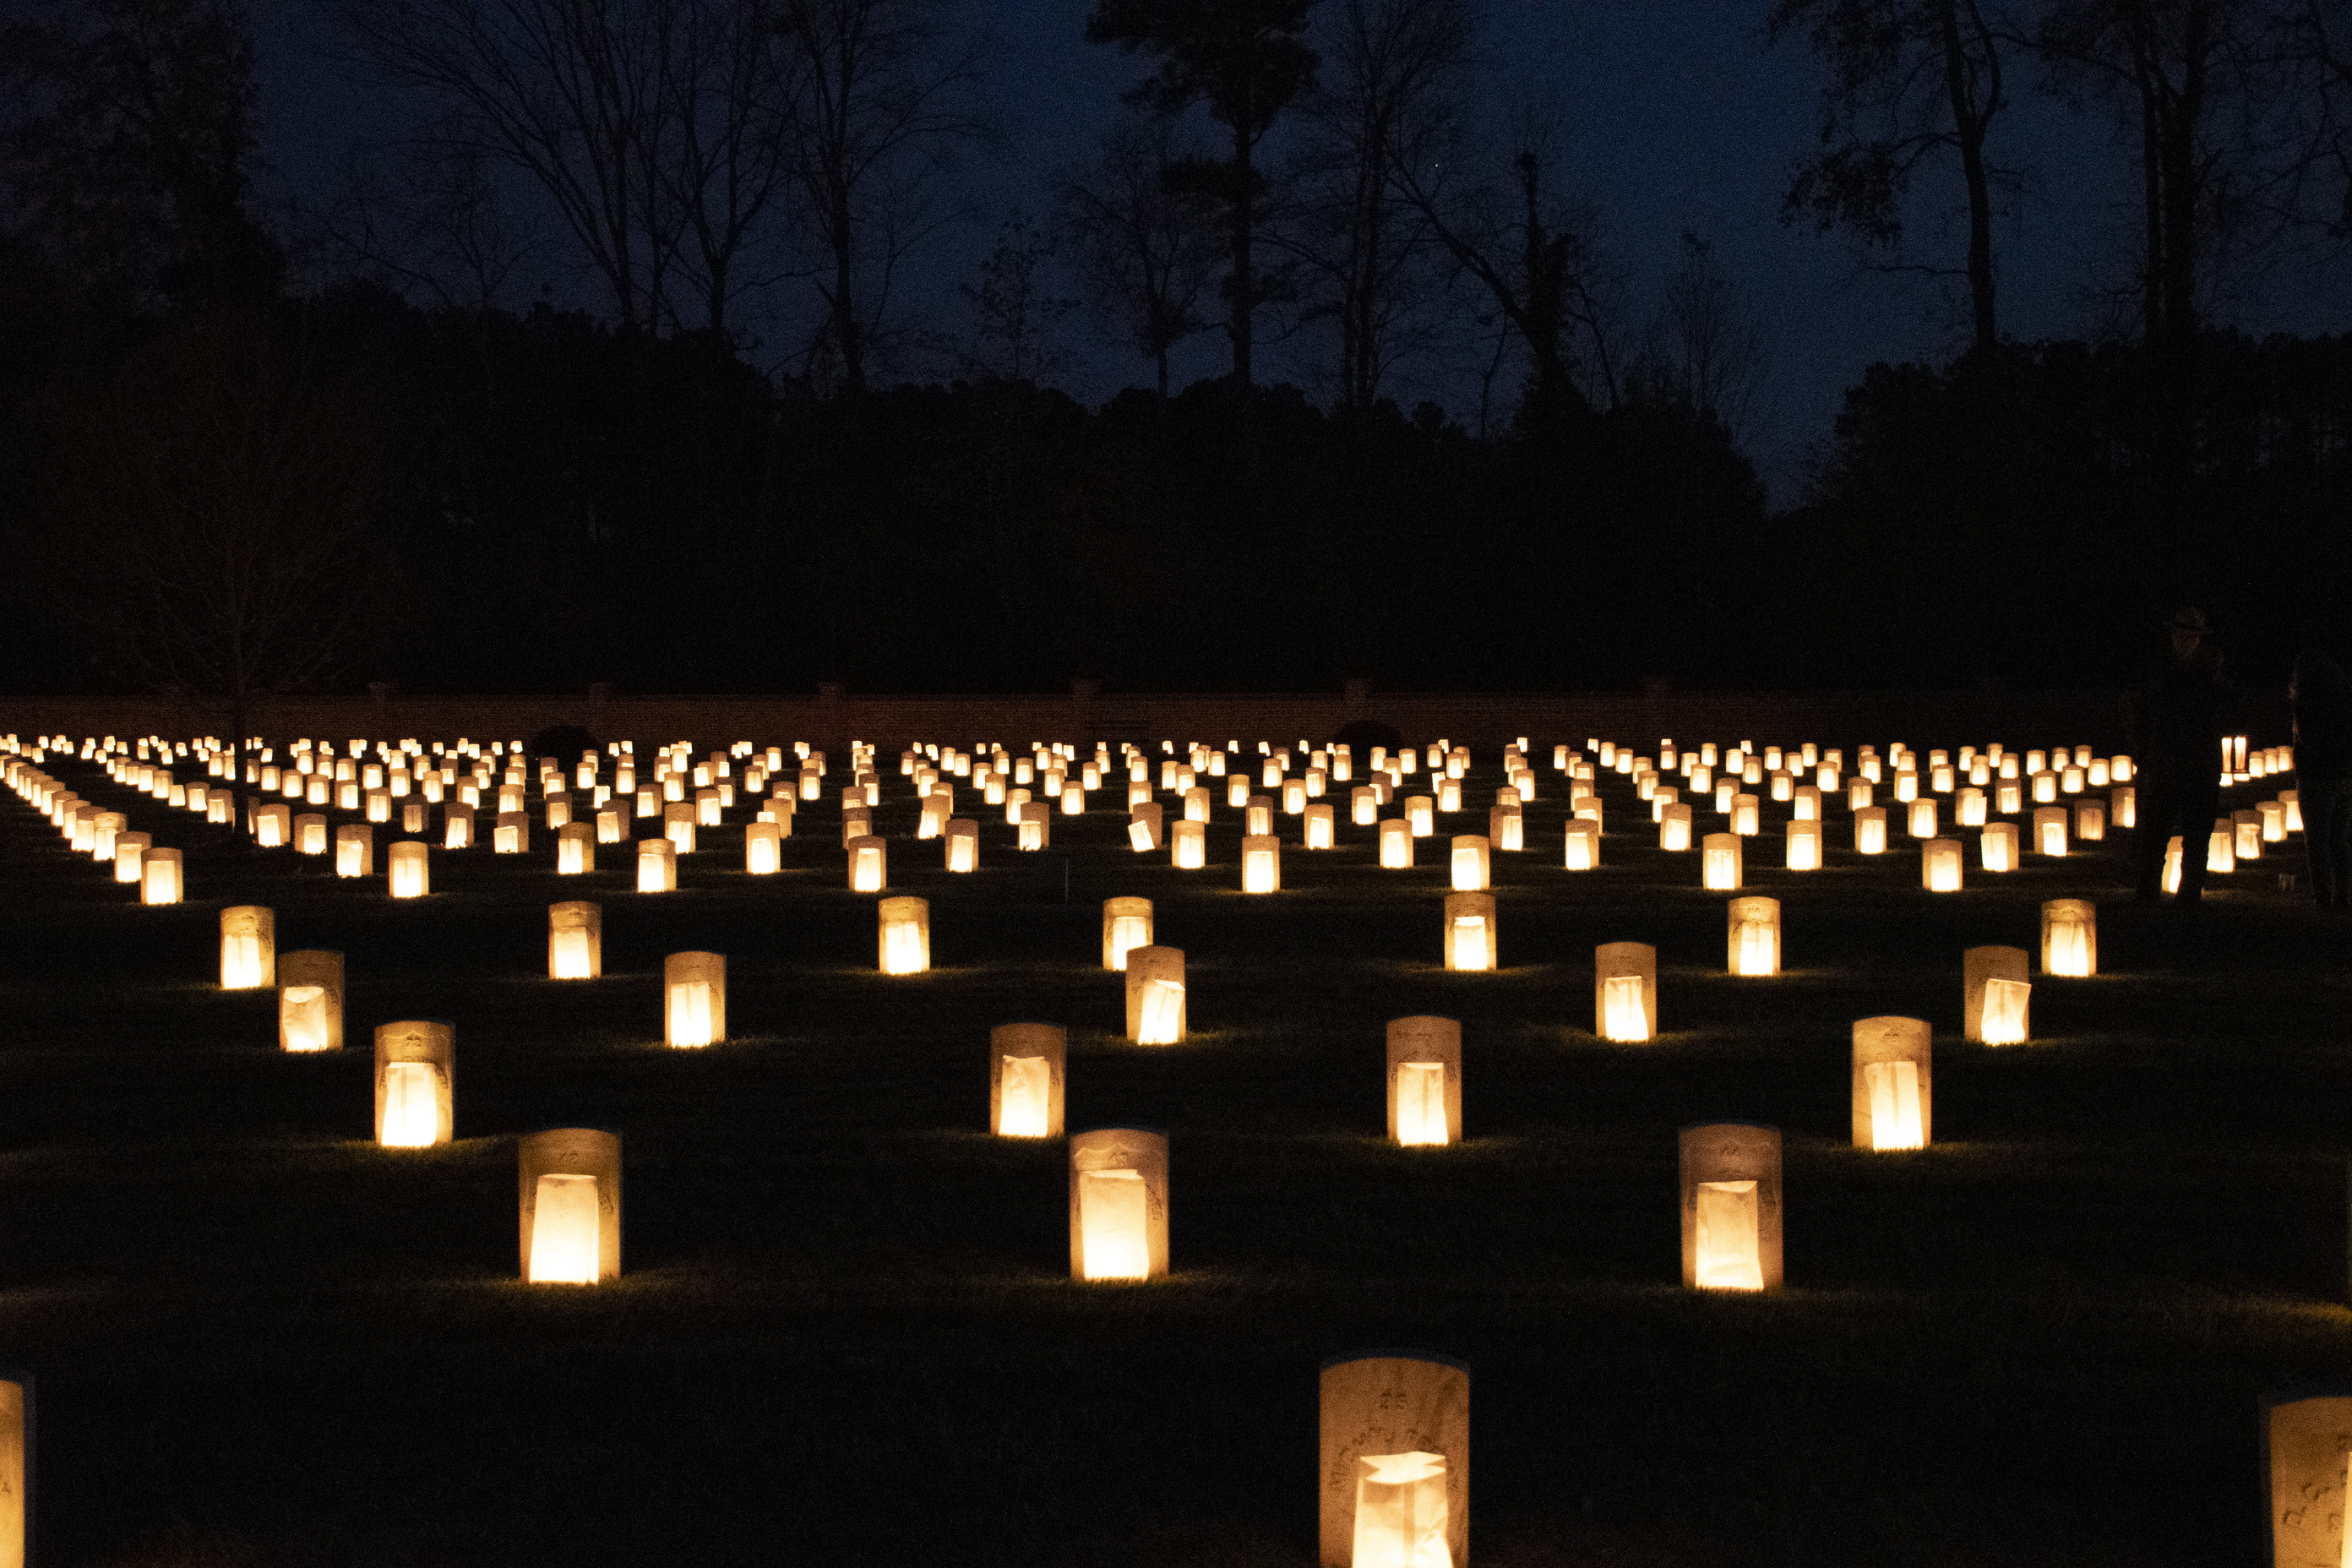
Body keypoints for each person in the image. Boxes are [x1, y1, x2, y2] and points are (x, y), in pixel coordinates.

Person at [2131, 607, 2234, 906]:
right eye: (2180, 634)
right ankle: (2147, 894)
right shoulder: (2157, 670)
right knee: (2154, 834)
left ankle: (2188, 897)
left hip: (2201, 766)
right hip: (2163, 764)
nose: (2185, 640)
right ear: (2172, 635)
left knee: (2198, 836)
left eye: (2192, 635)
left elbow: (2224, 714)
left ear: (2200, 639)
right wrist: (2143, 754)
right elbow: (2141, 712)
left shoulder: (2214, 672)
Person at [2290, 651, 2352, 908]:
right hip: (2344, 778)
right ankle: (2341, 895)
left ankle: (2323, 895)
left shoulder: (2307, 705)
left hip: (2316, 778)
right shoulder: (2345, 702)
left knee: (2317, 838)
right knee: (2339, 838)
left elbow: (2308, 739)